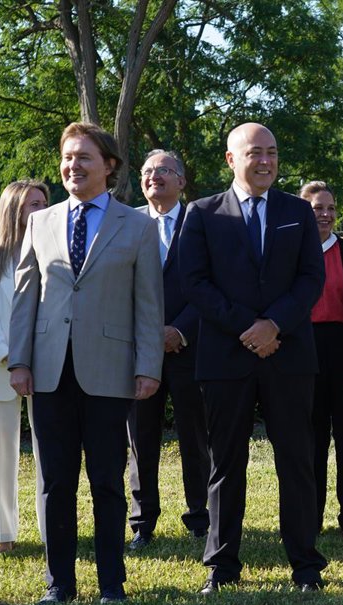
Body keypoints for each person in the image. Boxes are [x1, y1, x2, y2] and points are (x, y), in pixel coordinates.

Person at [9, 121, 164, 604]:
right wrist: (19, 361)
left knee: (106, 482)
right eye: (68, 157)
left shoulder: (138, 226)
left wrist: (148, 365)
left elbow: (149, 304)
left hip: (110, 372)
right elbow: (25, 296)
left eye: (84, 157)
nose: (72, 165)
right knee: (55, 482)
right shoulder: (40, 222)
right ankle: (59, 584)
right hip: (49, 371)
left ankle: (111, 584)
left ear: (109, 166)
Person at [178, 122, 328, 594]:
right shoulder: (202, 213)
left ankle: (305, 565)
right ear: (231, 159)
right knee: (225, 463)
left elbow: (311, 278)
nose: (266, 161)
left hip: (288, 354)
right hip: (226, 356)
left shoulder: (297, 211)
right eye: (255, 152)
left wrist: (274, 325)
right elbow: (195, 282)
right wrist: (249, 327)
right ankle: (221, 565)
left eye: (272, 152)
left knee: (297, 461)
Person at [126, 149, 210, 551]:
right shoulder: (127, 224)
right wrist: (147, 333)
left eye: (164, 169)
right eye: (147, 171)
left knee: (195, 436)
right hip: (139, 351)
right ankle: (142, 523)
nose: (154, 176)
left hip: (190, 348)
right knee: (140, 440)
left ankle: (200, 518)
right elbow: (116, 286)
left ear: (181, 181)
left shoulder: (202, 222)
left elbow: (212, 283)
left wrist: (180, 330)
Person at [0, 180, 48, 553]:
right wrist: (9, 356)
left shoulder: (53, 253)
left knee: (48, 449)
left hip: (46, 365)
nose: (42, 208)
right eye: (34, 203)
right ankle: (3, 533)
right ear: (14, 208)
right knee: (1, 451)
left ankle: (52, 530)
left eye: (44, 202)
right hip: (0, 366)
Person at [301, 180, 343, 539]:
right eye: (317, 208)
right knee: (311, 441)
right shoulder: (292, 251)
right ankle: (310, 518)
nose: (325, 215)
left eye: (330, 208)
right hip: (305, 353)